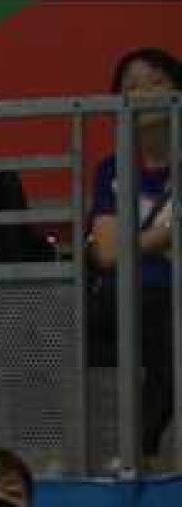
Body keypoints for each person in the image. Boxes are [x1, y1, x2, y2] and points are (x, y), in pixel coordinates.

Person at [86, 47, 181, 474]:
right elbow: (106, 252)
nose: (142, 93)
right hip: (120, 299)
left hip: (167, 298)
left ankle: (137, 452)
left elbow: (118, 245)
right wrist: (163, 236)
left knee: (168, 327)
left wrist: (133, 242)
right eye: (130, 86)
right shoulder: (113, 169)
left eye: (154, 81)